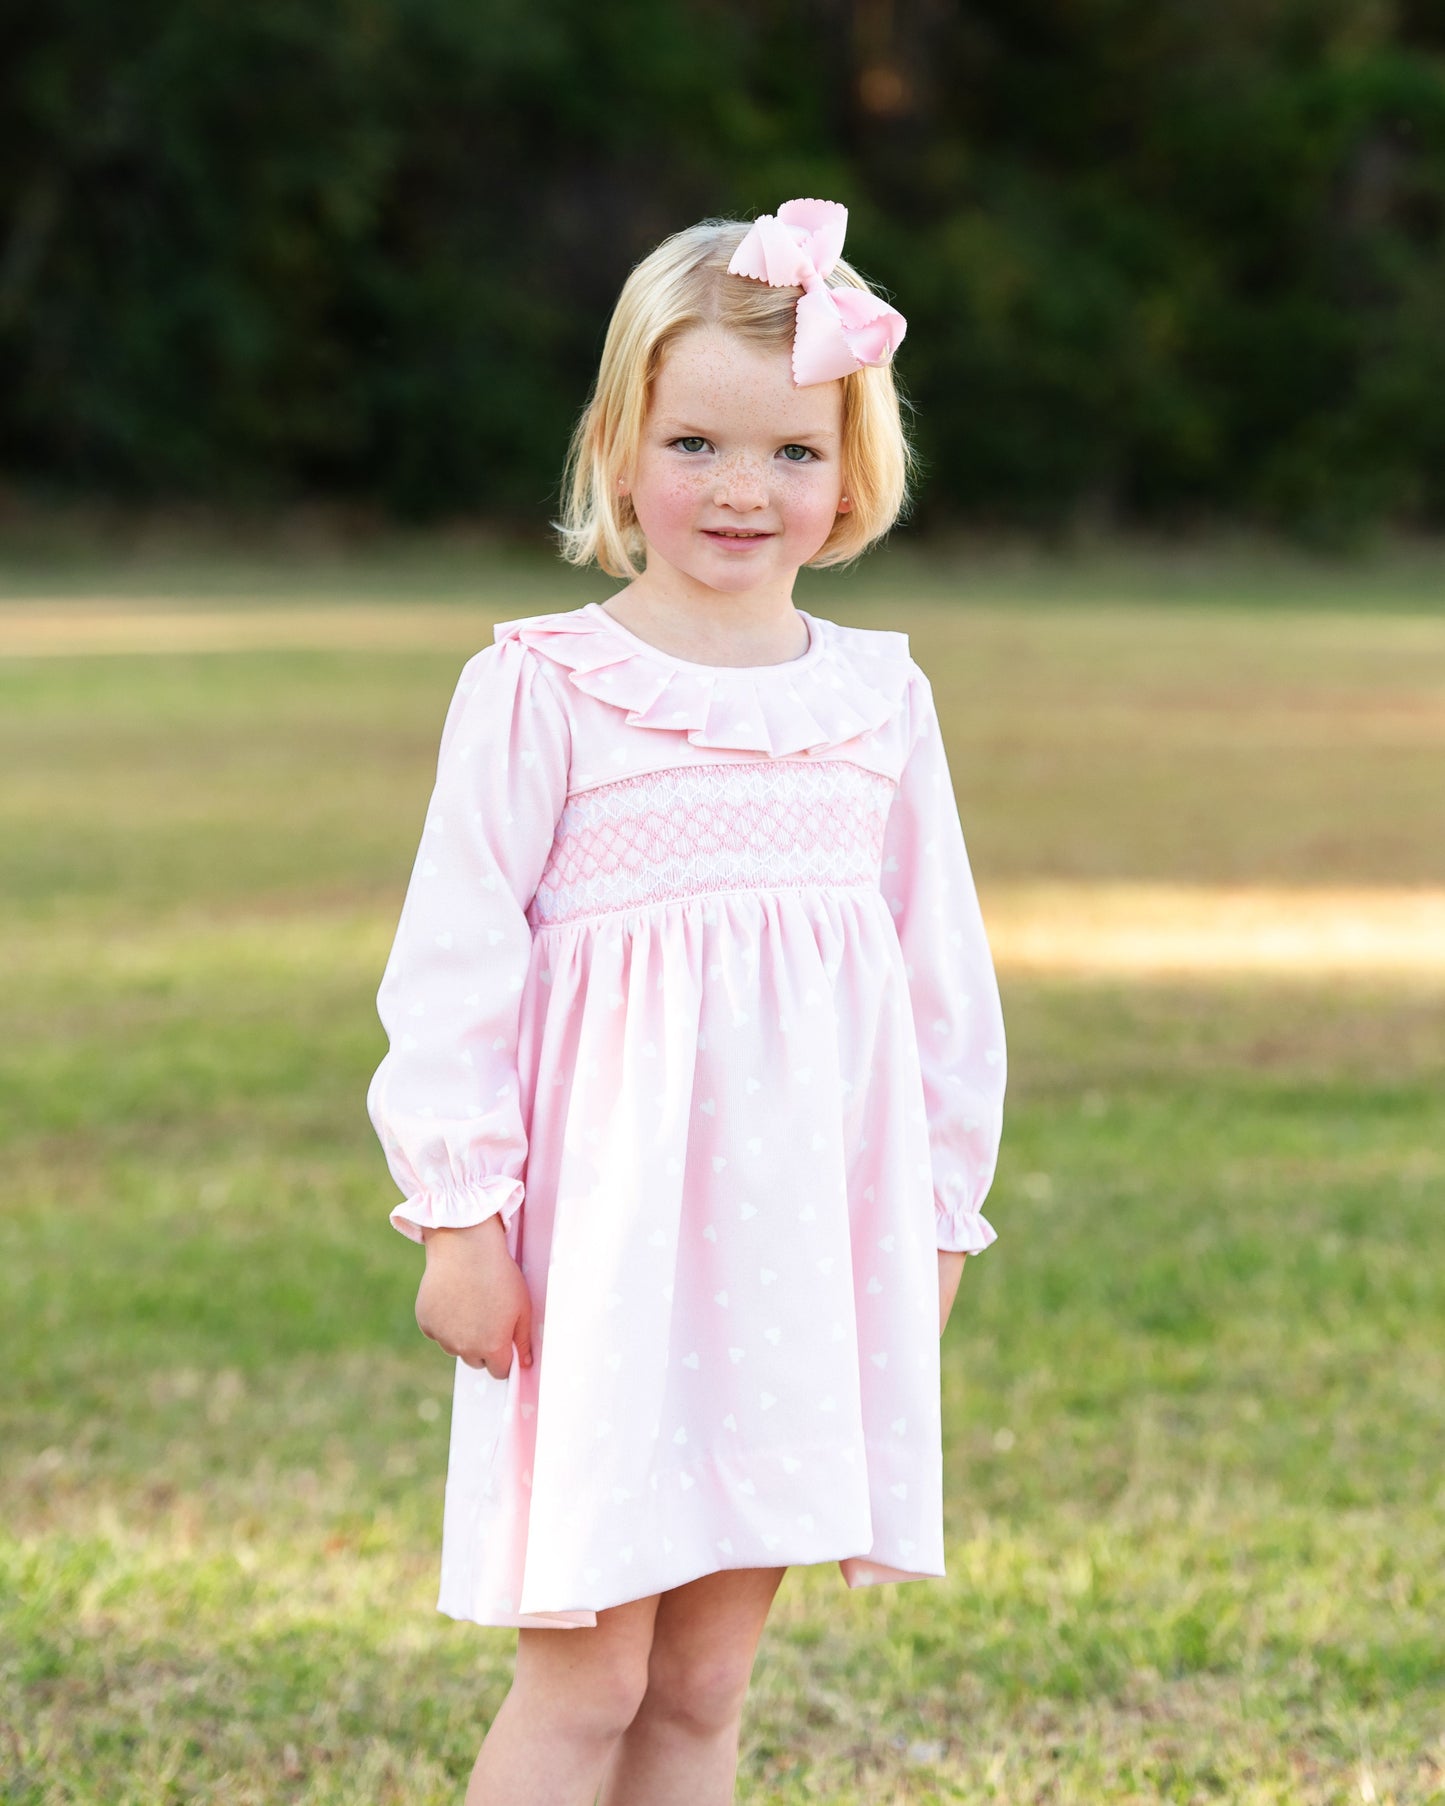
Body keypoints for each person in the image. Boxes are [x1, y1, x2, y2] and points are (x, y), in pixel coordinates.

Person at [365, 197, 1008, 1806]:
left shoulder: (876, 700)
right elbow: (455, 967)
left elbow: (941, 984)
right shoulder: (544, 686)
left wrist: (934, 1221)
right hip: (600, 1256)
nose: (742, 488)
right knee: (588, 1675)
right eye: (698, 443)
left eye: (793, 452)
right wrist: (459, 1217)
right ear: (619, 445)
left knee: (706, 1682)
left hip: (798, 1254)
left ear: (850, 468)